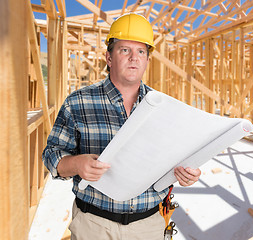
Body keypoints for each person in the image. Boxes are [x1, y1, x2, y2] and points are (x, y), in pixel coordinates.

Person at [42, 13, 201, 240]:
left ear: (147, 60)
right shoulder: (78, 102)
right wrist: (76, 164)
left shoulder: (164, 108)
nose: (134, 58)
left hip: (149, 226)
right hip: (93, 225)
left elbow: (175, 160)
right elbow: (51, 156)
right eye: (125, 50)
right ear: (109, 57)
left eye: (141, 52)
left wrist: (186, 172)